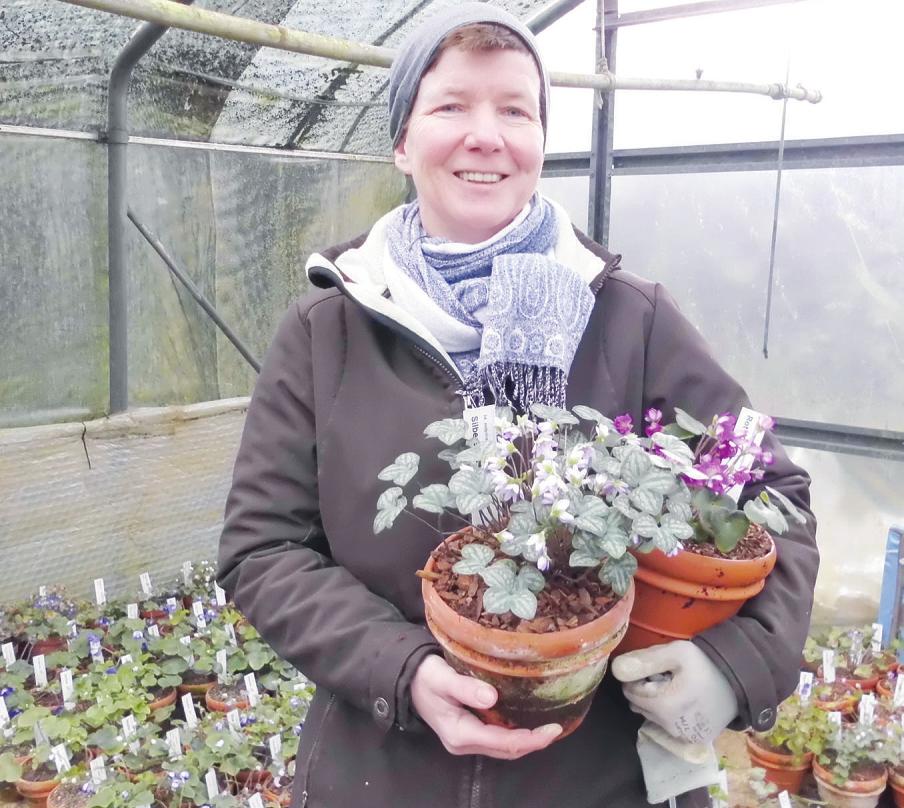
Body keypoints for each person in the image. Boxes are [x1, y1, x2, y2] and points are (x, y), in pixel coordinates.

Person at [216, 5, 819, 807]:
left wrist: (734, 664)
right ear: (402, 141)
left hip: (603, 779)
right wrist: (404, 668)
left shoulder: (630, 318)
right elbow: (262, 547)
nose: (485, 134)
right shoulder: (327, 331)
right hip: (379, 773)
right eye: (450, 106)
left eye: (515, 110)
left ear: (540, 140)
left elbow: (773, 502)